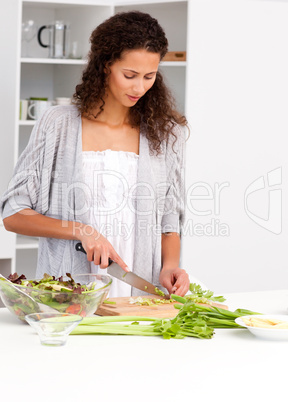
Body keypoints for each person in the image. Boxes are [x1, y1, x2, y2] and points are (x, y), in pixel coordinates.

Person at [0, 11, 190, 297]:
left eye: (149, 76)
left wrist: (170, 266)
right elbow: (13, 214)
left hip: (138, 297)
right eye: (129, 75)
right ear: (105, 66)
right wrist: (81, 230)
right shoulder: (58, 125)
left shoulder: (164, 133)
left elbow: (169, 218)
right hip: (68, 296)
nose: (140, 87)